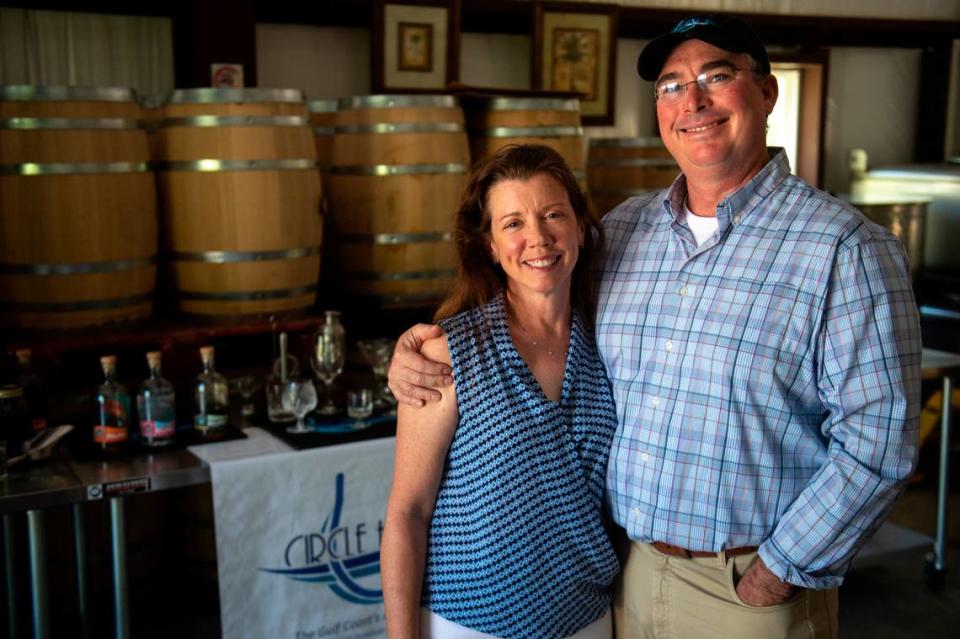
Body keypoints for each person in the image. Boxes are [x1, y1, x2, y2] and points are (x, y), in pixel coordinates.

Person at [388, 14, 922, 639]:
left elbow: (880, 443)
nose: (692, 101)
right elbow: (530, 301)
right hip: (621, 584)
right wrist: (410, 350)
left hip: (745, 590)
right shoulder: (625, 232)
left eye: (716, 77)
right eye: (671, 85)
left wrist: (777, 572)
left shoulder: (846, 248)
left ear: (768, 91)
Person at [380, 144, 620, 639]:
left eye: (553, 214)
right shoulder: (448, 353)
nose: (538, 238)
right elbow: (408, 513)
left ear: (579, 226)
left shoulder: (610, 340)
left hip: (588, 617)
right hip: (471, 621)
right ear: (489, 244)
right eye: (512, 223)